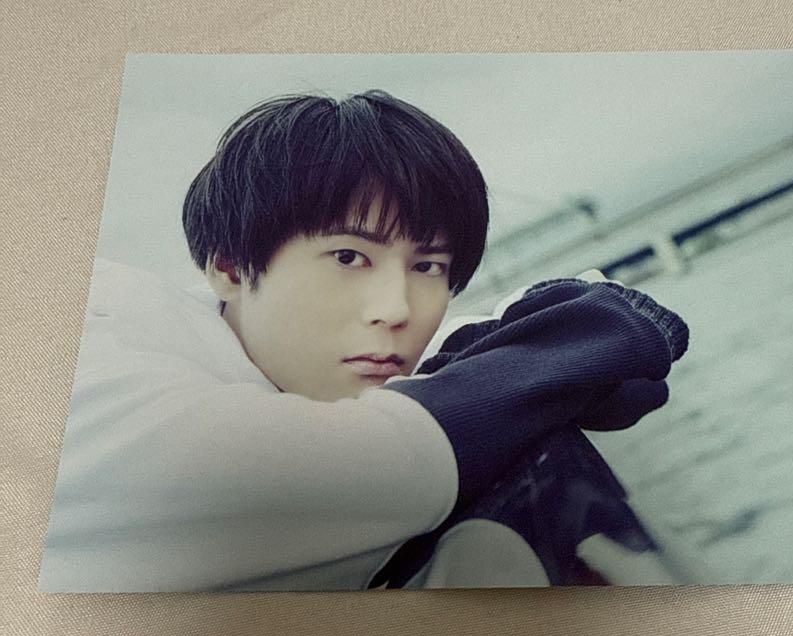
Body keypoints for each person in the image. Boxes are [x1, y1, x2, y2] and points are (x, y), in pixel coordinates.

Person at [37, 91, 688, 592]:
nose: (396, 309)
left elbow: (479, 360)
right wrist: (580, 348)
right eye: (349, 257)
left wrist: (542, 357)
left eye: (429, 266)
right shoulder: (88, 366)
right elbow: (403, 453)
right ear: (229, 266)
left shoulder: (261, 349)